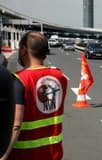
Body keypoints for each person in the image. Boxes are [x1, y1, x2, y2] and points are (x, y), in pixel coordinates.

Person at [0, 31, 68, 160]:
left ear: (24, 50)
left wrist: (4, 155)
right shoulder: (60, 77)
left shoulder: (20, 81)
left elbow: (16, 125)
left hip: (24, 154)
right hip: (53, 152)